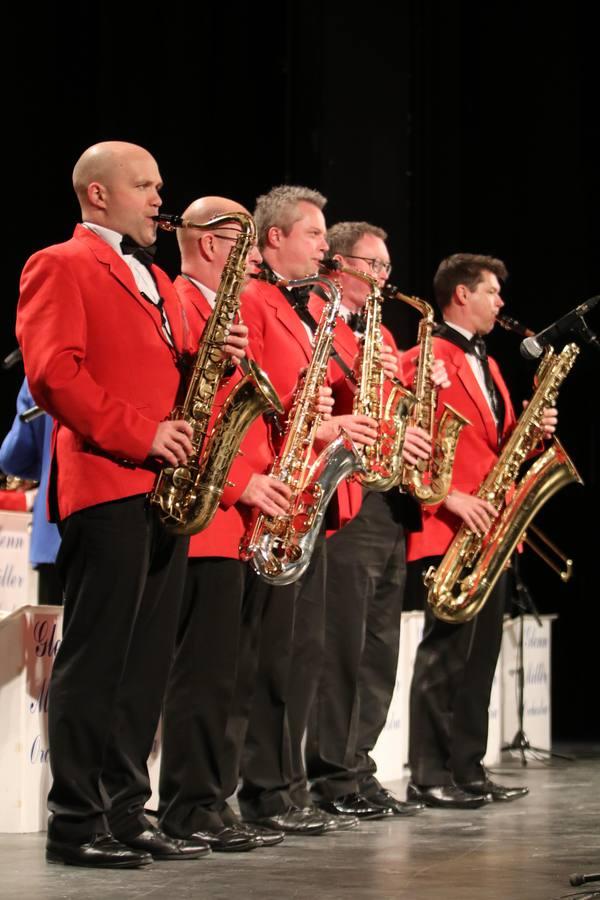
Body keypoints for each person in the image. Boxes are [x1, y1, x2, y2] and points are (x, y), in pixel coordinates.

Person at [16, 141, 216, 867]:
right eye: (145, 186)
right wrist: (144, 433)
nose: (159, 199)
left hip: (166, 488)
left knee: (146, 661)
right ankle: (76, 821)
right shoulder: (59, 264)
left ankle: (127, 810)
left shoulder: (157, 275)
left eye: (160, 184)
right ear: (98, 195)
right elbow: (53, 375)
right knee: (98, 660)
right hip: (107, 480)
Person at [237, 186, 379, 835]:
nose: (326, 248)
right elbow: (255, 396)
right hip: (271, 493)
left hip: (304, 496)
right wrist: (321, 427)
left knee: (303, 652)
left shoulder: (299, 312)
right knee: (273, 654)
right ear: (276, 240)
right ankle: (264, 790)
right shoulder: (257, 302)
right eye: (315, 234)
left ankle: (288, 788)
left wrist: (327, 421)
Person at [157, 195, 293, 852]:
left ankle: (214, 799)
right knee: (203, 672)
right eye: (242, 239)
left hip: (237, 515)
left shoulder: (224, 312)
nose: (253, 257)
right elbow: (185, 410)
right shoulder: (179, 303)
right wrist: (242, 481)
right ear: (212, 244)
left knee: (233, 671)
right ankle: (188, 805)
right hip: (208, 512)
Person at [404, 253, 556, 808]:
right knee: (445, 653)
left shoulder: (488, 364)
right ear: (461, 295)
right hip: (451, 526)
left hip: (492, 528)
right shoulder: (423, 357)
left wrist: (534, 431)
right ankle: (429, 773)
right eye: (492, 292)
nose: (501, 303)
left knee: (479, 655)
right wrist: (450, 500)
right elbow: (410, 446)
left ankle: (467, 768)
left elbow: (502, 446)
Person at [305, 221, 436, 819]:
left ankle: (358, 767)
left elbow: (387, 406)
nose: (383, 276)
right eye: (372, 264)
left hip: (387, 499)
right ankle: (330, 776)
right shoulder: (312, 314)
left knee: (380, 647)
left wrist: (409, 375)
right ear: (336, 262)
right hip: (344, 497)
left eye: (386, 267)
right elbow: (317, 397)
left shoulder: (378, 331)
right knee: (343, 647)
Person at [0, 378, 61, 604]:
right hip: (118, 536)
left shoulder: (42, 370)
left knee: (53, 638)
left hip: (51, 535)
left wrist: (46, 467)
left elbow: (13, 458)